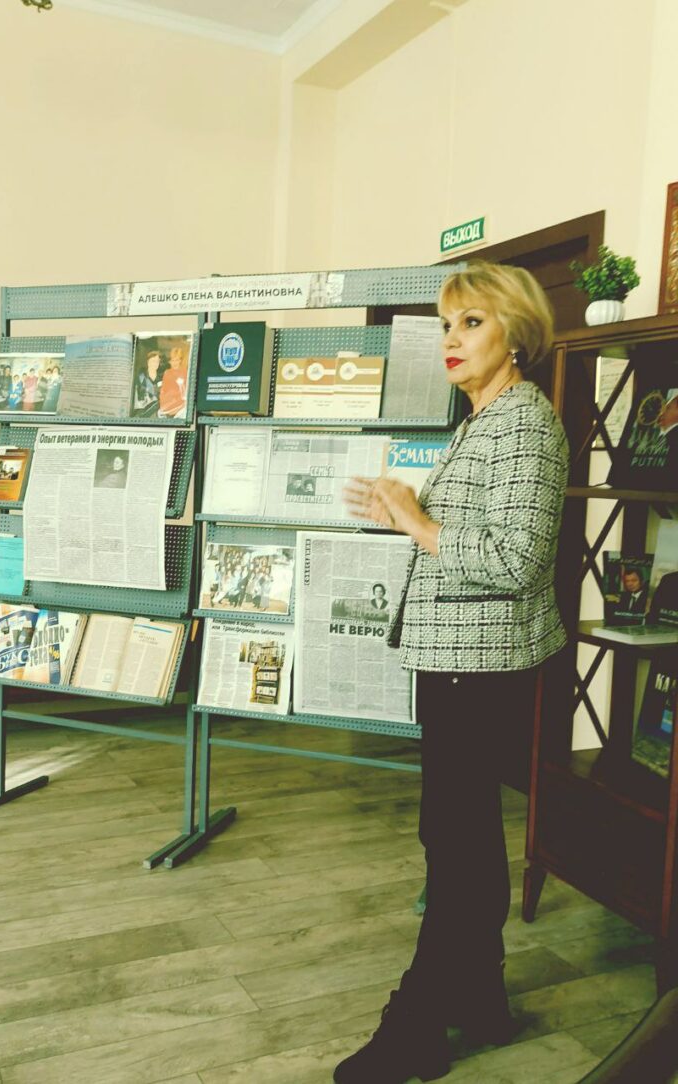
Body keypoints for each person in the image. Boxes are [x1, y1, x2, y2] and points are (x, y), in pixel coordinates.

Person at [340, 260, 569, 1084]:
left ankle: (418, 1024)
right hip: (453, 659)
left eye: (472, 322)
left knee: (458, 848)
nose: (453, 339)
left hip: (483, 663)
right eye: (447, 324)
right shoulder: (483, 419)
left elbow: (516, 561)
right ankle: (481, 999)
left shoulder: (525, 424)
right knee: (456, 837)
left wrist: (418, 522)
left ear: (518, 333)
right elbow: (468, 535)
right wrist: (403, 514)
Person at [158, 342, 189, 417]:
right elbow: (164, 390)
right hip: (169, 404)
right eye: (172, 360)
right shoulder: (167, 373)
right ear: (170, 362)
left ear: (180, 361)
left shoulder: (185, 372)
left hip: (182, 404)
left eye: (177, 360)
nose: (175, 363)